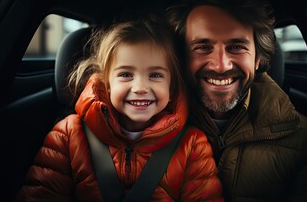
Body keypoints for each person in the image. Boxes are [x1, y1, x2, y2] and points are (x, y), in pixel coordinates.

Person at [165, 0, 307, 201]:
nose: (221, 66)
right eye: (203, 47)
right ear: (182, 58)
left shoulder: (306, 140)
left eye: (236, 47)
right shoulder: (143, 129)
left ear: (258, 58)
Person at [15, 15, 223, 201]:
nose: (140, 88)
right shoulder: (69, 134)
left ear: (172, 85)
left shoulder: (192, 144)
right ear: (106, 83)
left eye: (155, 75)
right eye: (125, 75)